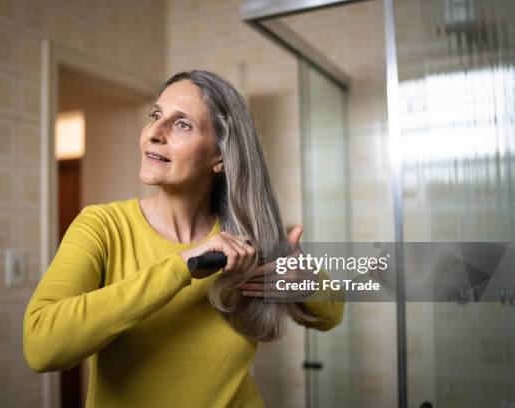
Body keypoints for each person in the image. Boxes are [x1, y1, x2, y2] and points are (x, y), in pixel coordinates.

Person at [23, 70, 344, 407]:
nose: (153, 134)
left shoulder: (249, 236)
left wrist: (305, 280)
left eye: (182, 124)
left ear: (219, 156)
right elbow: (41, 347)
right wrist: (183, 266)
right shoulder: (102, 226)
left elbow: (332, 316)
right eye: (156, 116)